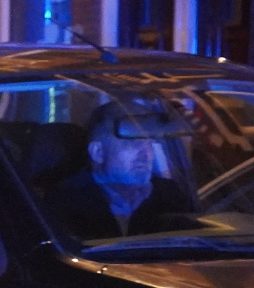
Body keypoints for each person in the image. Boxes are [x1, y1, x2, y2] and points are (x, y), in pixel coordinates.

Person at [45, 101, 197, 241]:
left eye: (149, 142)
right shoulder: (64, 204)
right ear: (98, 152)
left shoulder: (169, 195)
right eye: (133, 142)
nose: (147, 154)